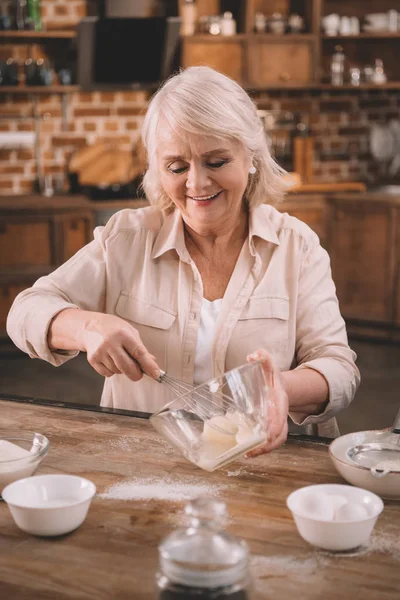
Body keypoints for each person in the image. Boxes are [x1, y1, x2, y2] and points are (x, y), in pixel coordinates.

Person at [7, 66, 360, 457]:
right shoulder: (127, 239)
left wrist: (280, 390)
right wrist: (86, 327)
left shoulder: (297, 248)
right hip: (141, 468)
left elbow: (340, 369)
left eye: (216, 161)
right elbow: (25, 312)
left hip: (263, 468)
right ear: (158, 169)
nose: (197, 183)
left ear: (252, 156)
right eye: (177, 167)